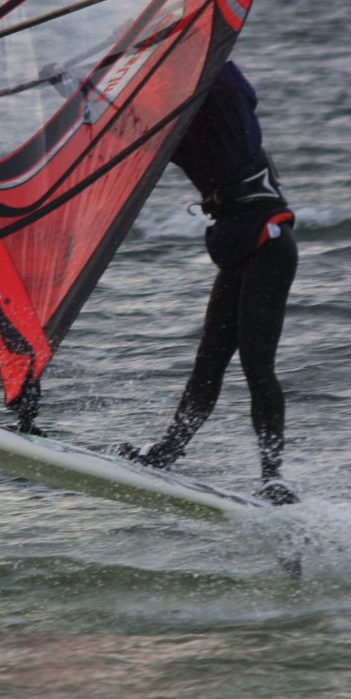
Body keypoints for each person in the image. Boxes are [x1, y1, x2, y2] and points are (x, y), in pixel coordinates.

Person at [118, 61, 299, 506]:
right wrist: (81, 94)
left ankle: (274, 478)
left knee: (257, 365)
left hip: (268, 243)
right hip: (237, 244)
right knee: (208, 363)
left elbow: (224, 70)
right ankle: (167, 452)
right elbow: (137, 132)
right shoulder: (184, 122)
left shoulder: (221, 94)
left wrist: (191, 40)